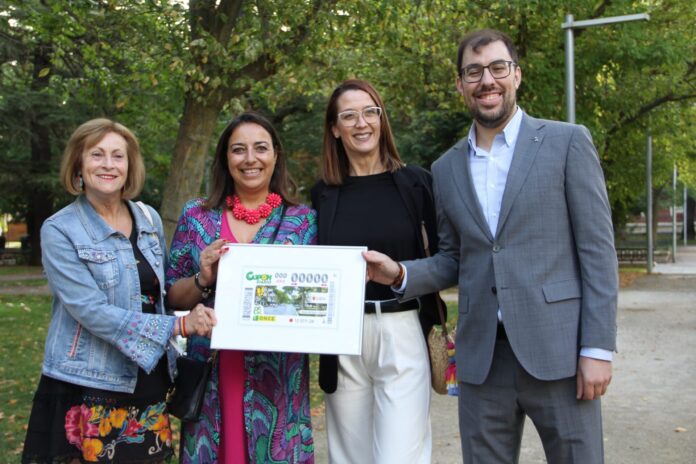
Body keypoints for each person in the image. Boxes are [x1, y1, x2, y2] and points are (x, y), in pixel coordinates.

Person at [363, 29, 618, 463]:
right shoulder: (446, 168)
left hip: (559, 352)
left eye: (498, 68)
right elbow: (455, 258)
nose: (487, 80)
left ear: (516, 75)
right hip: (482, 358)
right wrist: (402, 274)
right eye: (474, 71)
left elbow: (597, 252)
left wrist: (597, 348)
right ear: (461, 84)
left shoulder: (567, 142)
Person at [22, 118, 215, 463]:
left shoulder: (148, 219)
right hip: (88, 388)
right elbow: (91, 311)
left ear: (130, 165)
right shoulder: (60, 229)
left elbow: (160, 295)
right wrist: (178, 327)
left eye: (118, 156)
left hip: (149, 383)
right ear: (79, 164)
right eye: (97, 155)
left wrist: (201, 278)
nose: (108, 164)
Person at [166, 111, 317, 463]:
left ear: (276, 155)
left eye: (260, 148)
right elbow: (173, 294)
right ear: (224, 158)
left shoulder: (303, 221)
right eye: (238, 150)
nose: (250, 159)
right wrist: (204, 277)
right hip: (213, 369)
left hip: (277, 375)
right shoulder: (196, 216)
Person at [310, 79, 439, 464]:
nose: (360, 122)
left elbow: (447, 260)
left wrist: (400, 272)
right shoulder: (323, 193)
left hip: (402, 329)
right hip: (343, 335)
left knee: (400, 456)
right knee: (348, 457)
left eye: (369, 112)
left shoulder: (416, 184)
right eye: (348, 115)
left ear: (382, 119)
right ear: (335, 128)